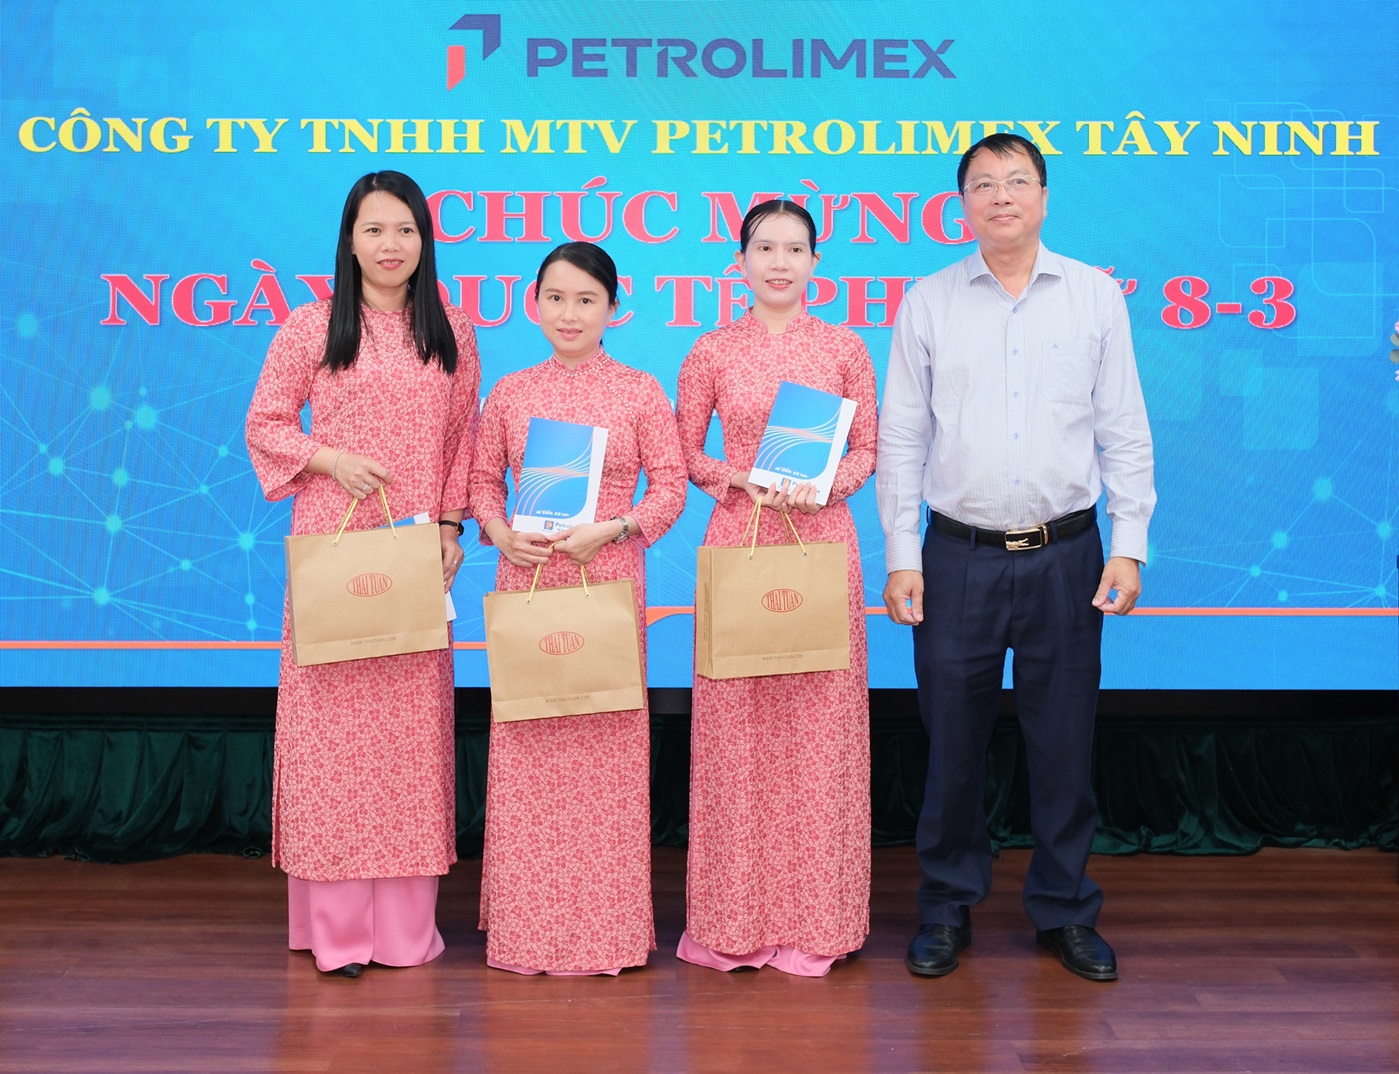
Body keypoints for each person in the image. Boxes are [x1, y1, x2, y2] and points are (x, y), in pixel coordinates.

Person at [876, 133, 1155, 982]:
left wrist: (1129, 545)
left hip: (1066, 555)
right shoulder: (928, 301)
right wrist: (901, 553)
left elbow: (1122, 428)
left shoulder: (1094, 295)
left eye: (1017, 181)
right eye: (983, 184)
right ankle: (944, 907)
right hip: (955, 556)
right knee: (951, 744)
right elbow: (901, 435)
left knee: (1063, 744)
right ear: (961, 202)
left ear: (1043, 196)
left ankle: (1065, 909)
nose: (1001, 196)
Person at [246, 171, 481, 978]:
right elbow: (265, 423)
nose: (390, 245)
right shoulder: (310, 327)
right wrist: (329, 458)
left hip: (413, 554)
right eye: (374, 229)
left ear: (425, 241)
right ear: (349, 240)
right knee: (333, 746)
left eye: (405, 230)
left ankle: (404, 933)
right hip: (335, 546)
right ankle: (337, 932)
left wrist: (450, 525)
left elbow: (460, 438)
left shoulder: (450, 331)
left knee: (407, 748)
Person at [468, 241, 687, 975]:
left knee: (606, 756)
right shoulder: (510, 392)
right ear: (534, 304)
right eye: (556, 298)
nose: (570, 313)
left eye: (586, 300)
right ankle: (526, 932)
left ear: (613, 309)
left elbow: (670, 488)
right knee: (530, 751)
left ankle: (606, 933)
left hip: (608, 582)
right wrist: (500, 531)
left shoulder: (640, 391)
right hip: (528, 580)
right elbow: (481, 483)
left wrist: (616, 528)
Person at [674, 199, 878, 977]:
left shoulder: (843, 348)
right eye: (765, 247)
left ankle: (817, 922)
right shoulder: (711, 350)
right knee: (737, 736)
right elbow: (682, 453)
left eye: (795, 248)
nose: (780, 262)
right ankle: (735, 922)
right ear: (740, 260)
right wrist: (740, 478)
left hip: (821, 540)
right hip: (740, 538)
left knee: (819, 735)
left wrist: (824, 486)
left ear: (815, 262)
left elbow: (867, 448)